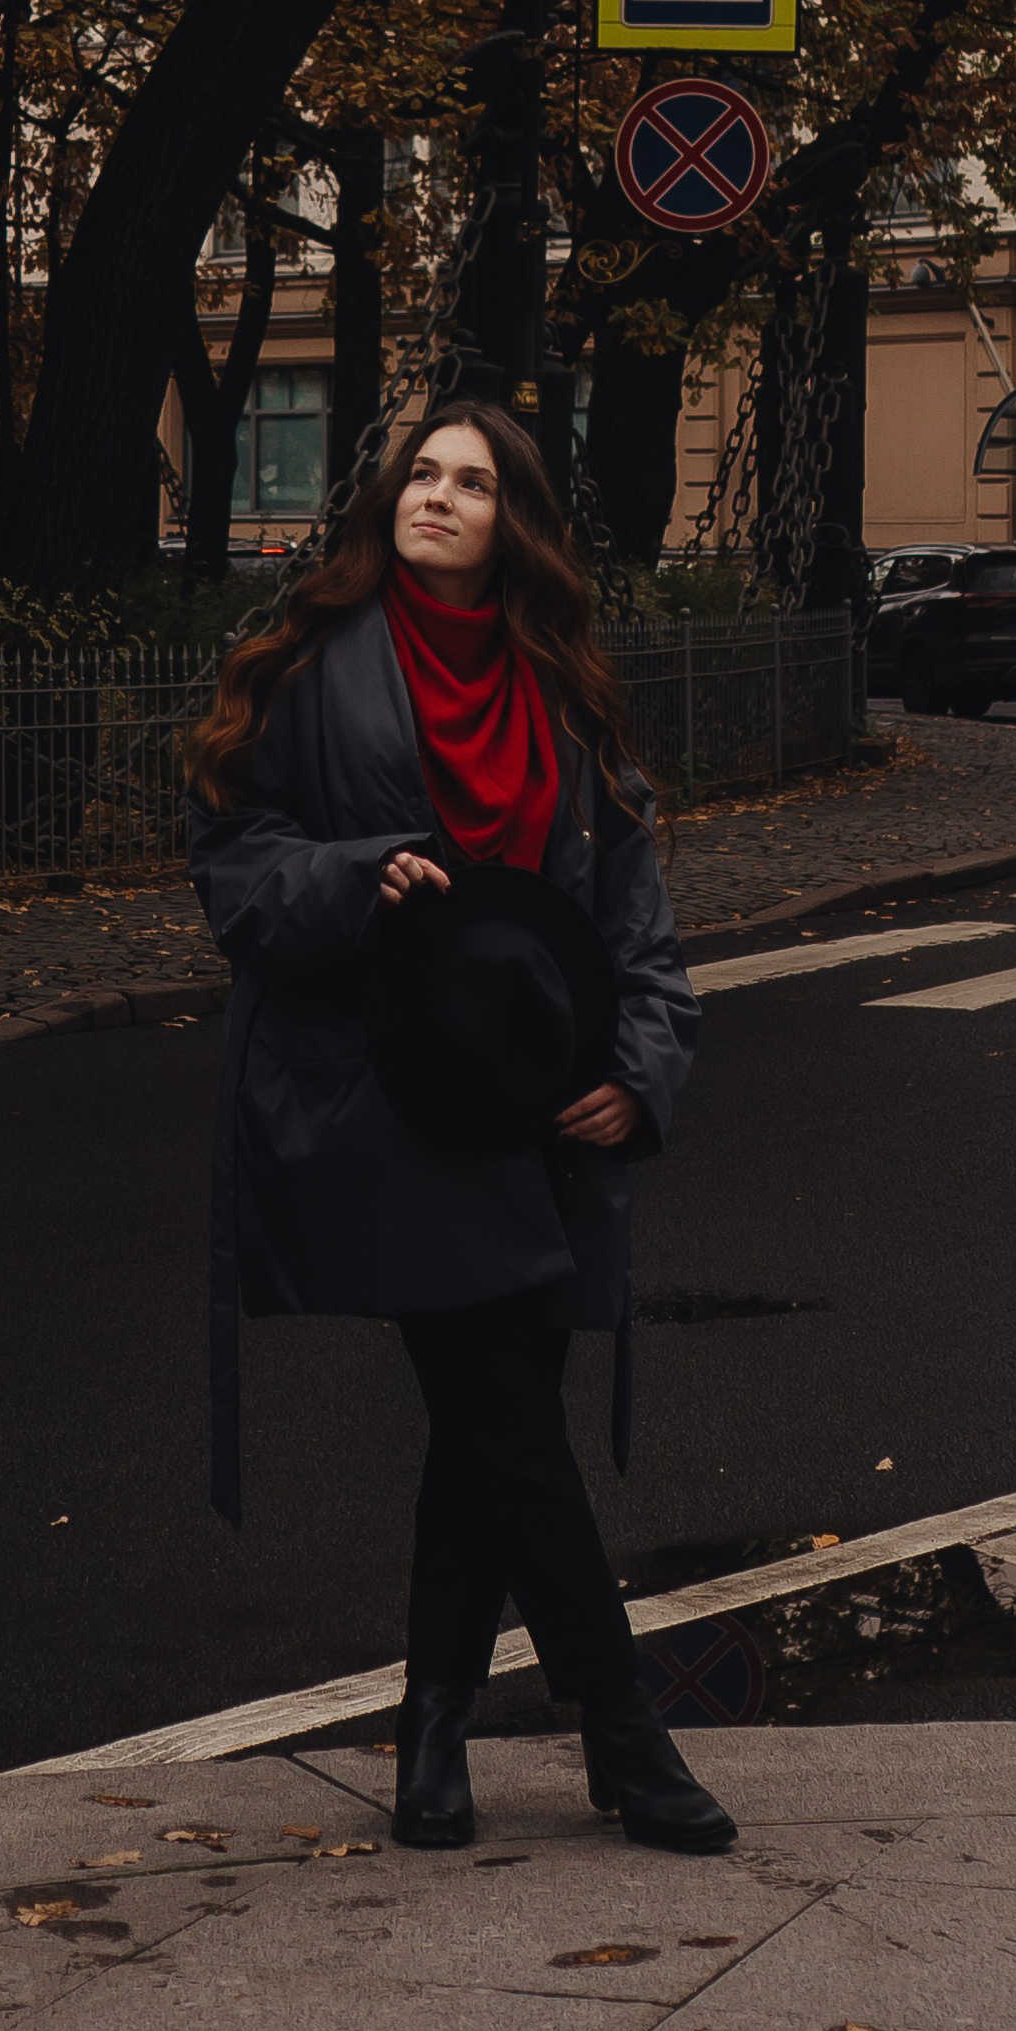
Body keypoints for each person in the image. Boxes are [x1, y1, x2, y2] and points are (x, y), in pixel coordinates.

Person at [185, 397, 727, 1857]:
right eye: (418, 473)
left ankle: (433, 1734)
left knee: (487, 1440)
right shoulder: (313, 667)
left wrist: (642, 1070)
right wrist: (360, 875)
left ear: (515, 522)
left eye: (470, 481)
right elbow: (238, 873)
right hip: (388, 1104)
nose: (434, 496)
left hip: (538, 1107)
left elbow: (636, 921)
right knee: (506, 1422)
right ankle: (623, 1728)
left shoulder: (562, 689)